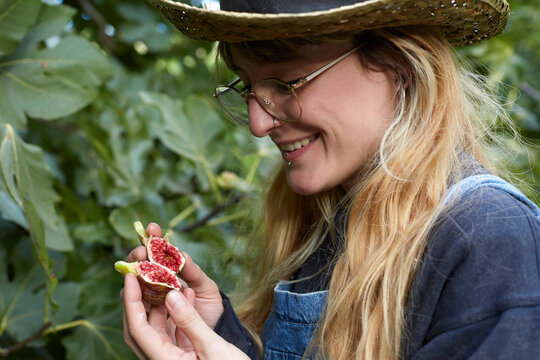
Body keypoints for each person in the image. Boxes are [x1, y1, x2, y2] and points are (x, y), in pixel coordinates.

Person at [120, 0, 540, 359]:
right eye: (246, 88)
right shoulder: (324, 220)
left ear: (399, 65)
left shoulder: (489, 238)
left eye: (287, 83)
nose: (257, 123)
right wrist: (214, 331)